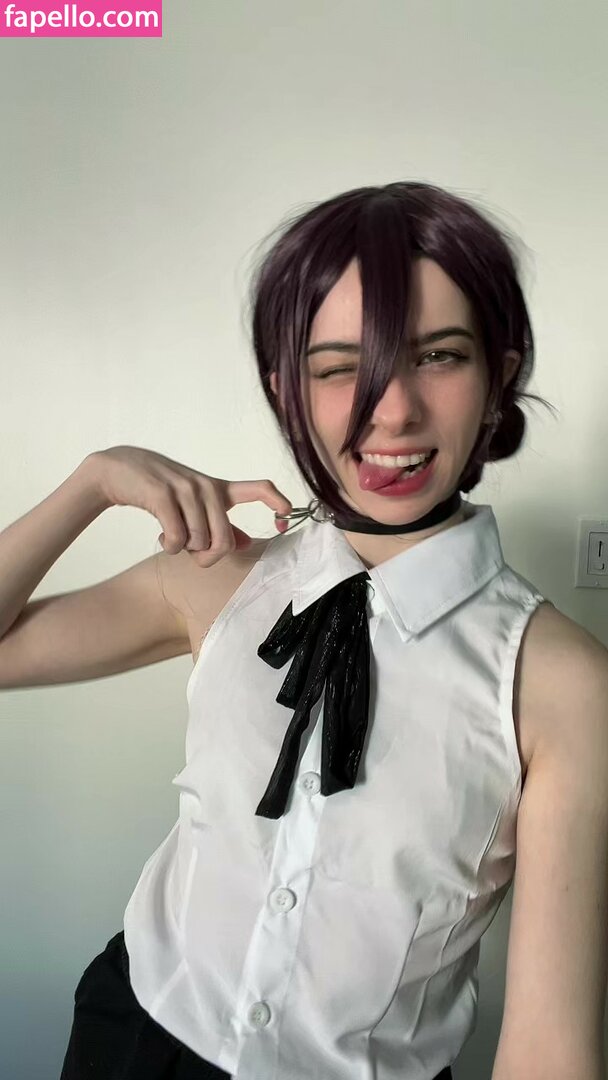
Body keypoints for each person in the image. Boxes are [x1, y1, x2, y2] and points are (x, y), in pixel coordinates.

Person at [1, 181, 606, 1080]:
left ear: (498, 378)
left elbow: (550, 1051)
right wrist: (94, 482)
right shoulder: (215, 578)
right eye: (338, 367)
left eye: (438, 356)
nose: (391, 410)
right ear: (288, 390)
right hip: (131, 1039)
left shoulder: (561, 682)